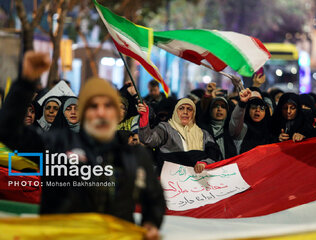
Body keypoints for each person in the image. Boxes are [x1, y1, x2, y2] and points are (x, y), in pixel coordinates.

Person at [0, 51, 165, 240]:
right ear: (84, 113)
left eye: (108, 106)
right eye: (93, 106)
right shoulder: (57, 145)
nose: (101, 112)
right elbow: (8, 131)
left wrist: (151, 224)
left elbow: (154, 199)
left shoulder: (134, 155)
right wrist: (25, 82)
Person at [138, 98, 220, 174]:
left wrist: (205, 162)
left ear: (194, 113)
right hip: (171, 182)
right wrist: (144, 118)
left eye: (189, 109)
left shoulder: (204, 134)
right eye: (181, 108)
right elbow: (148, 139)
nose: (185, 112)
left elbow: (214, 153)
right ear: (175, 111)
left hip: (197, 183)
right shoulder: (165, 128)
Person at [229, 88, 273, 154]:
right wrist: (242, 104)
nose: (257, 110)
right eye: (253, 107)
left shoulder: (270, 131)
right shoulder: (241, 129)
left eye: (262, 108)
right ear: (248, 110)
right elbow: (236, 120)